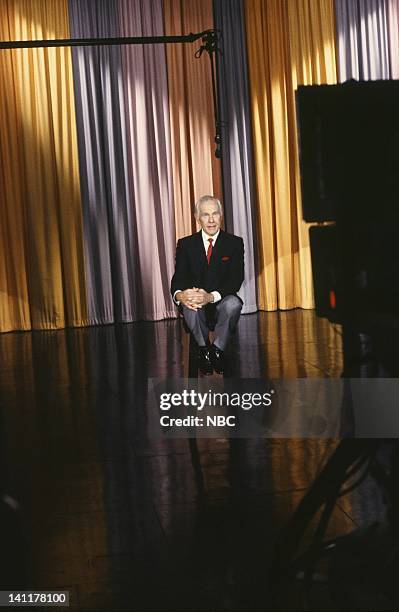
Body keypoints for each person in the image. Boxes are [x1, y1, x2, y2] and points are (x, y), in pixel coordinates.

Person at [171, 195, 244, 374]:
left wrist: (210, 296)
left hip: (221, 300)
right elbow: (178, 278)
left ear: (221, 216)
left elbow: (236, 279)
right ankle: (204, 350)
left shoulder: (234, 243)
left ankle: (216, 350)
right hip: (196, 303)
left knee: (234, 304)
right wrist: (182, 295)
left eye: (215, 214)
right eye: (205, 215)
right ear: (197, 217)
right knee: (191, 306)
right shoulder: (186, 244)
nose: (211, 220)